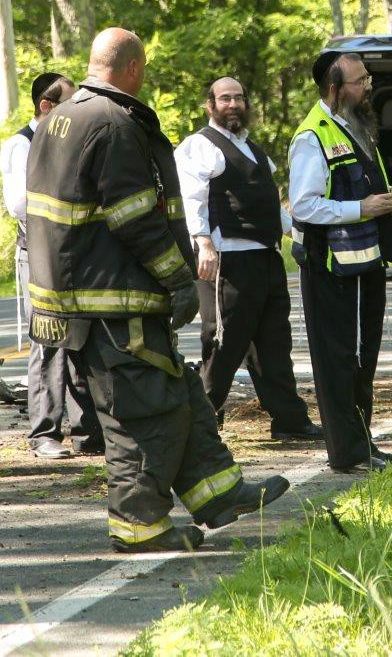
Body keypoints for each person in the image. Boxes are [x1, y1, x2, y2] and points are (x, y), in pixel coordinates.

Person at [25, 28, 289, 553]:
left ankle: (218, 493)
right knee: (140, 412)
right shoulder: (114, 124)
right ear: (133, 69)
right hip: (112, 301)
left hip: (86, 300)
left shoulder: (58, 119)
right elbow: (136, 219)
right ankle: (140, 527)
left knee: (179, 391)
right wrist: (178, 277)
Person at [174, 77, 322, 442]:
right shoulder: (198, 147)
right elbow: (191, 201)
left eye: (239, 97)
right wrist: (203, 244)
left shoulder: (255, 150)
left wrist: (299, 234)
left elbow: (272, 204)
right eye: (225, 98)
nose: (234, 104)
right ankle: (204, 421)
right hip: (227, 263)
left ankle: (289, 420)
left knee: (274, 342)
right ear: (210, 104)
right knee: (223, 343)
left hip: (267, 259)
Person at [289, 52, 392, 473]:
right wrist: (361, 208)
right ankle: (348, 452)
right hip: (332, 270)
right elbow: (304, 206)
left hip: (364, 265)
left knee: (362, 356)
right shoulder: (311, 136)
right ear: (335, 89)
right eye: (359, 80)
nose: (367, 86)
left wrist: (388, 201)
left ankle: (362, 444)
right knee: (339, 360)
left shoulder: (357, 128)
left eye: (367, 78)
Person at [1, 72, 102, 459]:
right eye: (67, 102)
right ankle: (44, 432)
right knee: (47, 340)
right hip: (40, 253)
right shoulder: (20, 145)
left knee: (80, 336)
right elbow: (20, 204)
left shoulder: (68, 142)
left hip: (74, 253)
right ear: (46, 106)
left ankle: (86, 431)